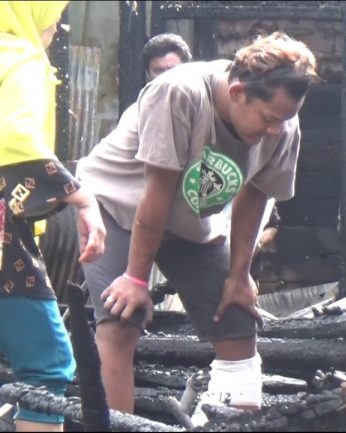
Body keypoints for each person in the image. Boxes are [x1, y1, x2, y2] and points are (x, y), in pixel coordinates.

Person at [76, 32, 318, 416]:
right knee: (122, 321)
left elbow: (254, 196)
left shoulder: (282, 124)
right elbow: (157, 192)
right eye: (270, 119)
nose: (277, 130)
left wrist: (239, 275)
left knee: (237, 318)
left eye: (285, 119)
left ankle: (234, 423)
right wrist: (137, 280)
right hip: (115, 206)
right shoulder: (178, 93)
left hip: (189, 222)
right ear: (238, 92)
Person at [0, 1, 106, 431]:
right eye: (55, 14)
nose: (58, 25)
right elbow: (15, 139)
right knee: (46, 368)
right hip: (6, 247)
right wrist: (80, 197)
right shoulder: (20, 58)